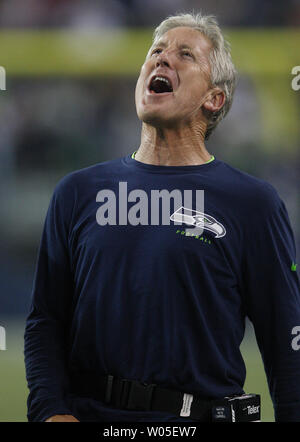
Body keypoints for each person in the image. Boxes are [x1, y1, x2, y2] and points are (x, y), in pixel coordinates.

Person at [24, 12, 300, 422]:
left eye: (184, 54)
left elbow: (287, 342)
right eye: (155, 51)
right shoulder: (77, 193)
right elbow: (45, 321)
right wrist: (49, 411)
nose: (161, 59)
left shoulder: (253, 203)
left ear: (214, 98)